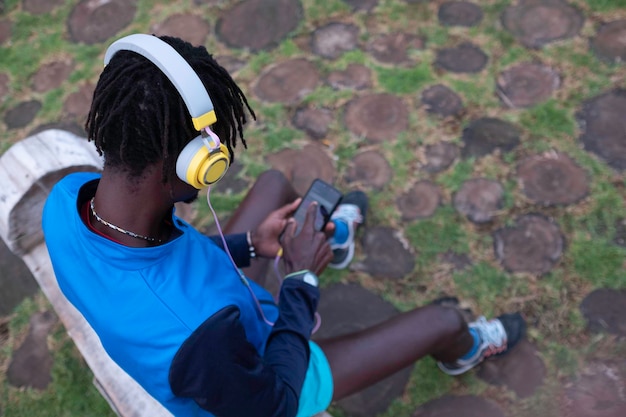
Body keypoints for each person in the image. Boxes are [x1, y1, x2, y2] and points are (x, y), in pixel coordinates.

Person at [42, 34, 526, 417]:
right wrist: (299, 281)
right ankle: (461, 351)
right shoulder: (200, 335)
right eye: (216, 144)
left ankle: (325, 245)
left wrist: (251, 246)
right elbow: (273, 404)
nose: (221, 153)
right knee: (444, 319)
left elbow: (161, 264)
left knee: (274, 184)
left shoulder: (69, 199)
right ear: (194, 165)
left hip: (206, 319)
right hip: (254, 372)